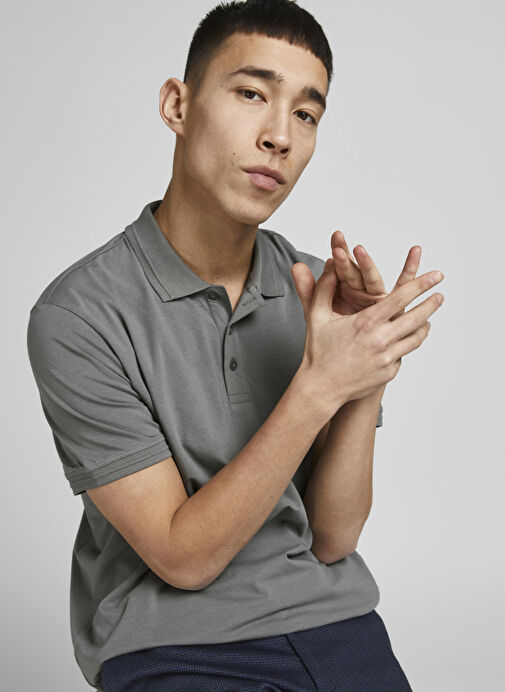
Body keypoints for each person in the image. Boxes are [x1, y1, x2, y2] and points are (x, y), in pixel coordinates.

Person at [27, 0, 444, 689]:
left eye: (305, 114)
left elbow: (334, 537)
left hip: (335, 624)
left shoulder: (317, 291)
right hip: (173, 645)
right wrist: (318, 385)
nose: (279, 136)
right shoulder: (79, 315)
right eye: (251, 94)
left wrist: (366, 372)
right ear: (177, 105)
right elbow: (183, 558)